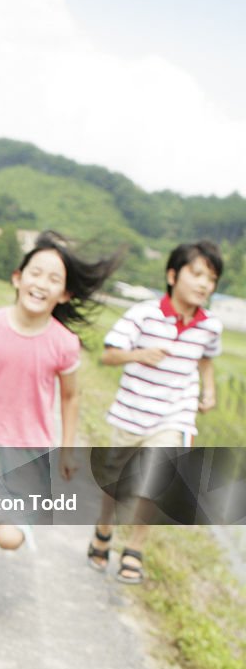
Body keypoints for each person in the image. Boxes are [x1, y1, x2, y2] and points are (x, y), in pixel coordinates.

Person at [0, 231, 121, 622]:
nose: (42, 283)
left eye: (54, 279)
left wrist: (66, 449)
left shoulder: (63, 344)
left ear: (64, 295)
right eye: (36, 273)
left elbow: (70, 398)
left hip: (28, 452)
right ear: (18, 278)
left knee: (10, 539)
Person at [86, 240, 222, 584]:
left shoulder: (210, 327)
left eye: (212, 278)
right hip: (132, 412)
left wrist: (210, 390)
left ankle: (135, 549)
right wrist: (139, 355)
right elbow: (109, 354)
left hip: (174, 414)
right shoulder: (143, 313)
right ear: (173, 275)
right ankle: (104, 531)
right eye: (197, 274)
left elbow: (206, 359)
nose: (205, 283)